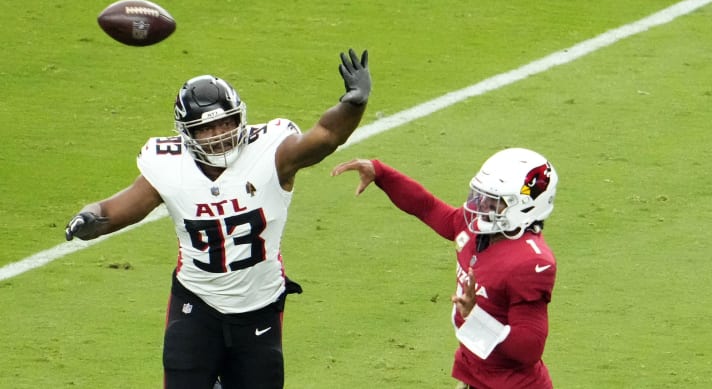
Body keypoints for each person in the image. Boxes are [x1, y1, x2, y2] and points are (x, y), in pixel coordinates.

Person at [64, 48, 371, 389]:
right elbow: (115, 209)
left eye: (227, 122)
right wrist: (88, 219)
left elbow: (326, 136)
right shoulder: (168, 165)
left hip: (260, 306)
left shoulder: (270, 152)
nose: (221, 133)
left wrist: (353, 104)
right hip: (196, 305)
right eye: (207, 127)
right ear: (188, 133)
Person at [332, 147, 558, 389]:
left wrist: (475, 316)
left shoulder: (531, 263)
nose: (482, 206)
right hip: (475, 376)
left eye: (494, 202)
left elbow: (529, 349)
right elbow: (427, 207)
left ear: (526, 206)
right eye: (482, 197)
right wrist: (381, 173)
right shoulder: (475, 229)